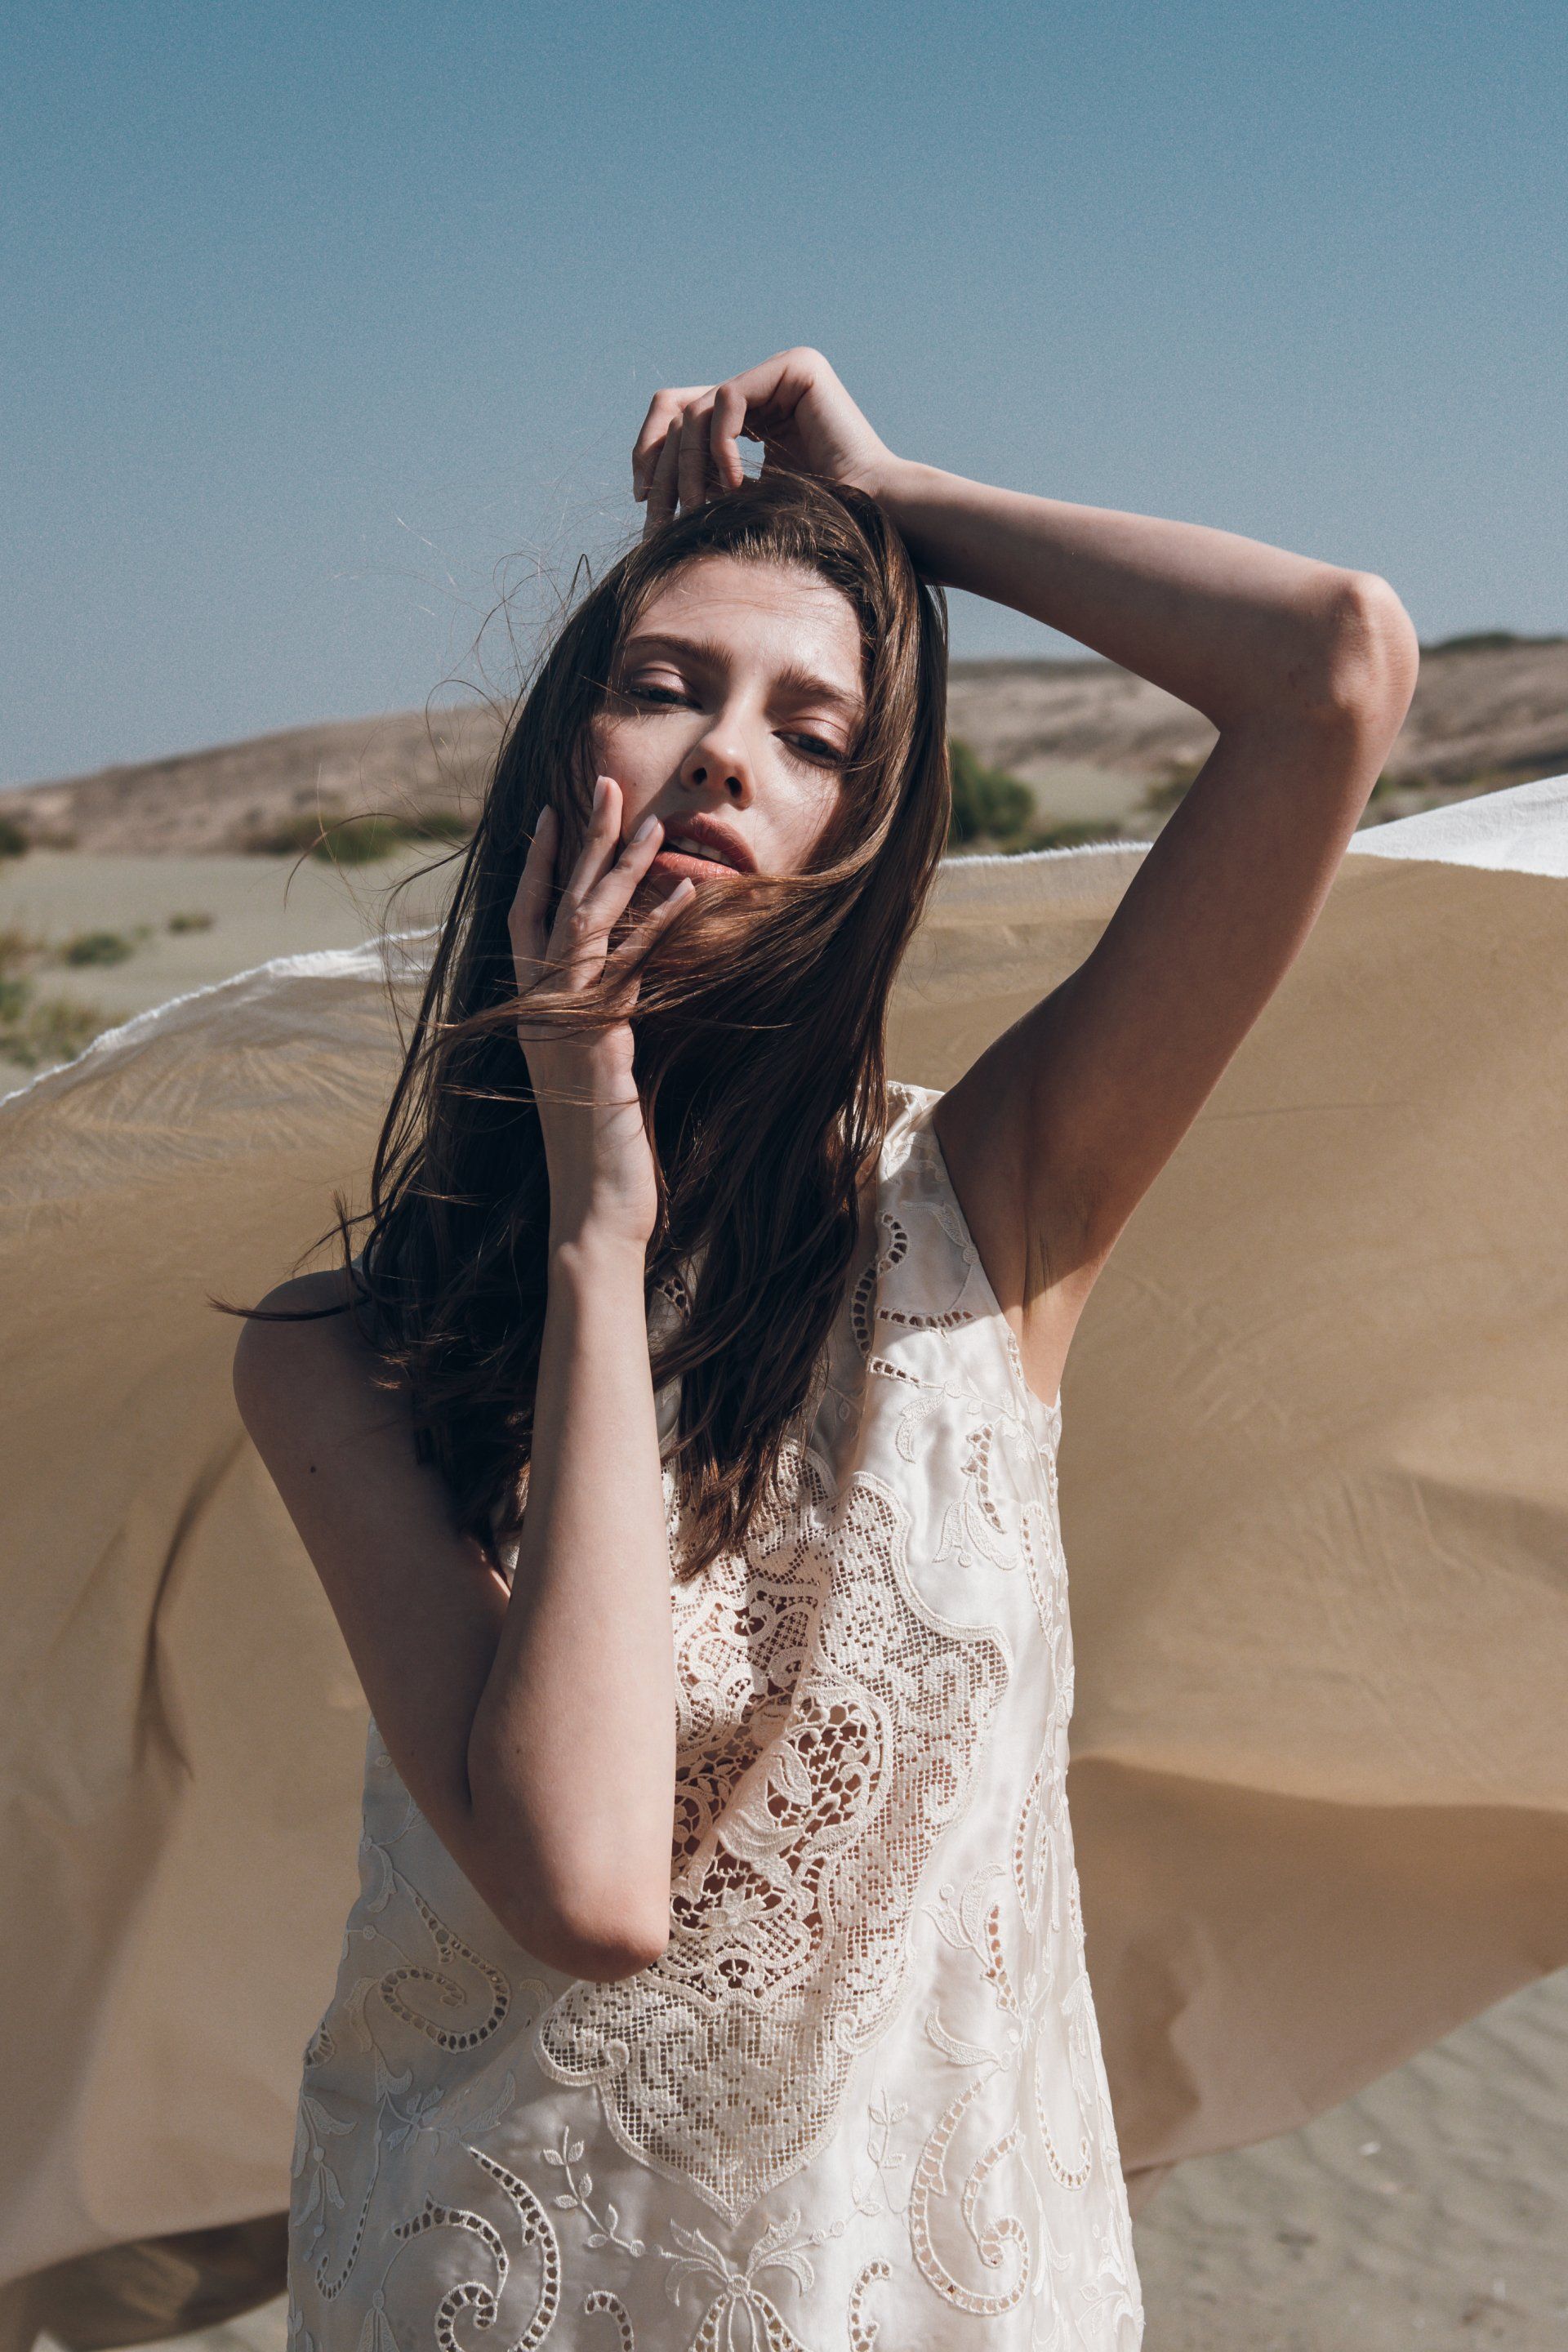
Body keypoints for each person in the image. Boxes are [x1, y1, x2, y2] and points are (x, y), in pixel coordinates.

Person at [234, 348, 1417, 2352]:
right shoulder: (354, 1346)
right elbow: (590, 1883)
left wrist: (889, 502)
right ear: (559, 759)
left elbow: (1335, 668)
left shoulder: (992, 1217)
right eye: (666, 682)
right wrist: (602, 1227)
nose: (721, 757)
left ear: (858, 834)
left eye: (808, 733)